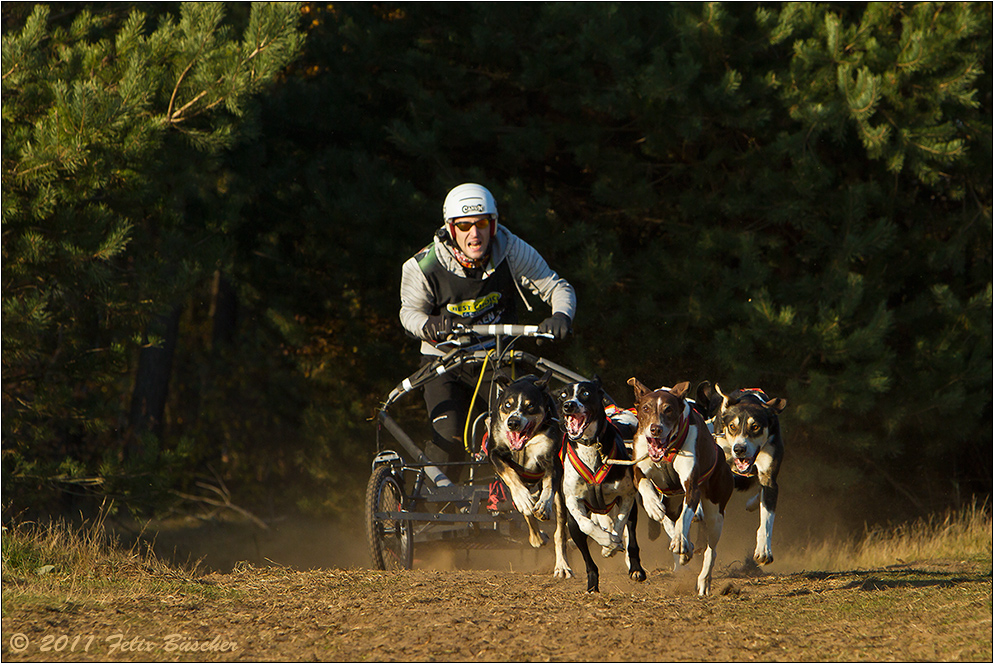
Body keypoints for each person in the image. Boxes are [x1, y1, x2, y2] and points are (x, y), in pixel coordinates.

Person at [399, 183, 576, 470]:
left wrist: (561, 316)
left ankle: (511, 500)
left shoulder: (511, 248)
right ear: (450, 228)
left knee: (517, 429)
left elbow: (557, 286)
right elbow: (409, 313)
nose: (474, 233)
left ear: (493, 224)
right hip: (444, 361)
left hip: (498, 358)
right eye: (464, 225)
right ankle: (430, 509)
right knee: (449, 436)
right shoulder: (423, 265)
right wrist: (429, 325)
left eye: (482, 223)